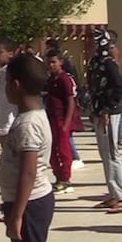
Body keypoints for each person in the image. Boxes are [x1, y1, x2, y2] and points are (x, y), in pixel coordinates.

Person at [0, 53, 60, 242]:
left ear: (16, 85)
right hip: (31, 200)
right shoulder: (34, 116)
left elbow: (28, 172)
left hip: (31, 202)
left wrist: (17, 215)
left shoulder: (27, 124)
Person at [87, 29, 122, 213]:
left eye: (93, 41)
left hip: (109, 114)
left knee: (113, 155)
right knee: (105, 155)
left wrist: (106, 108)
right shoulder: (95, 63)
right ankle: (113, 194)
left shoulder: (108, 64)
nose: (90, 44)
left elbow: (120, 89)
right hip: (99, 113)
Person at [44, 49, 81, 193]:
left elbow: (70, 101)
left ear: (61, 62)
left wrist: (67, 123)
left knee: (63, 150)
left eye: (54, 62)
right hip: (51, 118)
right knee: (52, 150)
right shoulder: (51, 79)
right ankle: (58, 177)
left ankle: (66, 178)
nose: (51, 65)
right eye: (49, 62)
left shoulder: (64, 79)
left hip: (61, 119)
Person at [0, 39, 20, 143]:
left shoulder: (10, 71)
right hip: (3, 114)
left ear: (10, 54)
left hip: (10, 117)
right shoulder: (2, 71)